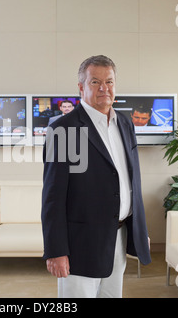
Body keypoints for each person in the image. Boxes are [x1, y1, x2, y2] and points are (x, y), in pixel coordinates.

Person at [41, 55, 151, 298]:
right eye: (95, 82)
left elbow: (130, 180)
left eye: (109, 82)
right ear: (81, 87)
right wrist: (55, 250)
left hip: (118, 237)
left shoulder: (125, 123)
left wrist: (139, 230)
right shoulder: (63, 130)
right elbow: (53, 197)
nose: (104, 88)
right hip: (80, 244)